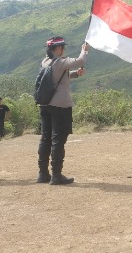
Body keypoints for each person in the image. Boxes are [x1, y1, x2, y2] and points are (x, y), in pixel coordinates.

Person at [37, 36, 89, 185]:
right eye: (62, 47)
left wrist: (75, 74)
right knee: (58, 139)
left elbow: (58, 78)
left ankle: (43, 174)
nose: (64, 50)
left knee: (45, 138)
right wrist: (84, 51)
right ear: (58, 48)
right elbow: (80, 61)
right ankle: (56, 175)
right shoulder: (59, 61)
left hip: (45, 104)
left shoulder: (45, 62)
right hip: (60, 105)